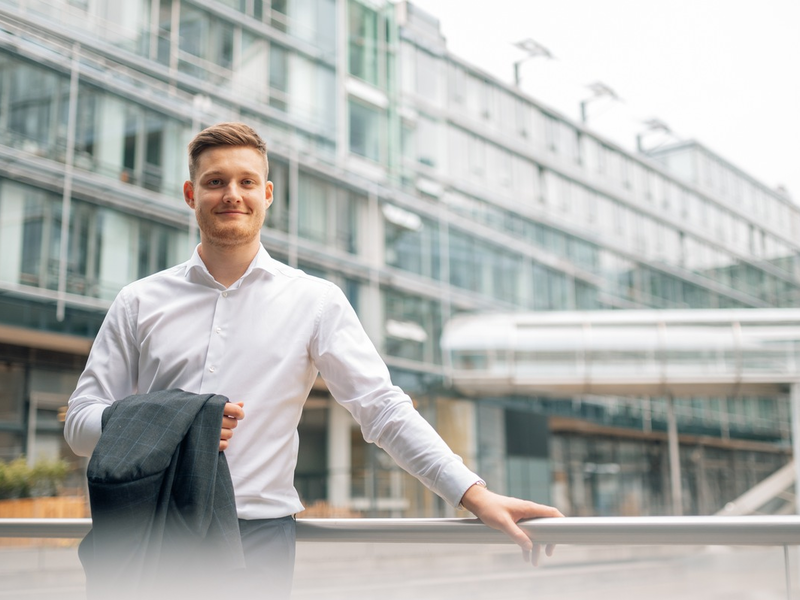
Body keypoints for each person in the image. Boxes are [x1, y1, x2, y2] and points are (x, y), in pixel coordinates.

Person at [65, 122, 562, 598]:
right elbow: (80, 423)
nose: (231, 194)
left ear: (268, 195)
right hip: (147, 533)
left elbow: (383, 410)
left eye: (246, 181)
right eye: (215, 182)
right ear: (191, 194)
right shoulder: (138, 301)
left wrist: (473, 494)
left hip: (257, 541)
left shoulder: (315, 301)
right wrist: (169, 424)